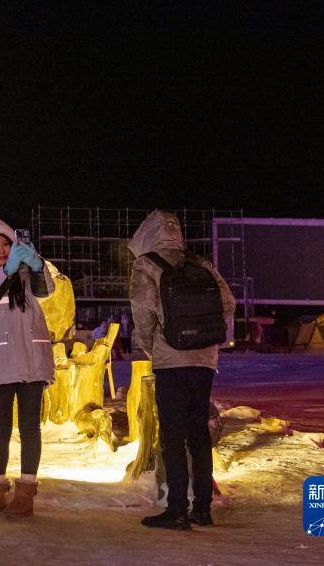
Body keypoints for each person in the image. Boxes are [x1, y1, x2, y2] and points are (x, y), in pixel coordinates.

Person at [129, 210, 235, 530]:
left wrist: (152, 347)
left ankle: (176, 508)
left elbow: (143, 312)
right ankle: (203, 509)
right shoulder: (200, 262)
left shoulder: (146, 264)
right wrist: (206, 339)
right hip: (204, 361)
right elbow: (228, 304)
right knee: (199, 434)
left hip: (171, 359)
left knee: (172, 436)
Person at [0, 218, 55, 519]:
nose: (2, 250)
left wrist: (37, 264)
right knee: (0, 429)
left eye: (6, 244)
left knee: (30, 427)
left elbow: (47, 290)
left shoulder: (27, 276)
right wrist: (8, 270)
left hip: (32, 362)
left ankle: (26, 494)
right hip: (0, 363)